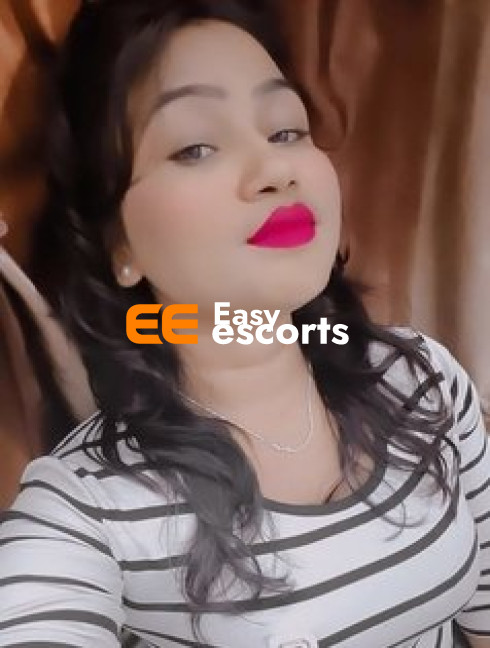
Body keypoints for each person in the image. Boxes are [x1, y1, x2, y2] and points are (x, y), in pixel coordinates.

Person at [0, 1, 489, 646]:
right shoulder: (87, 505)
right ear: (119, 244)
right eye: (196, 147)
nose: (275, 170)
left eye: (285, 130)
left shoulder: (420, 378)